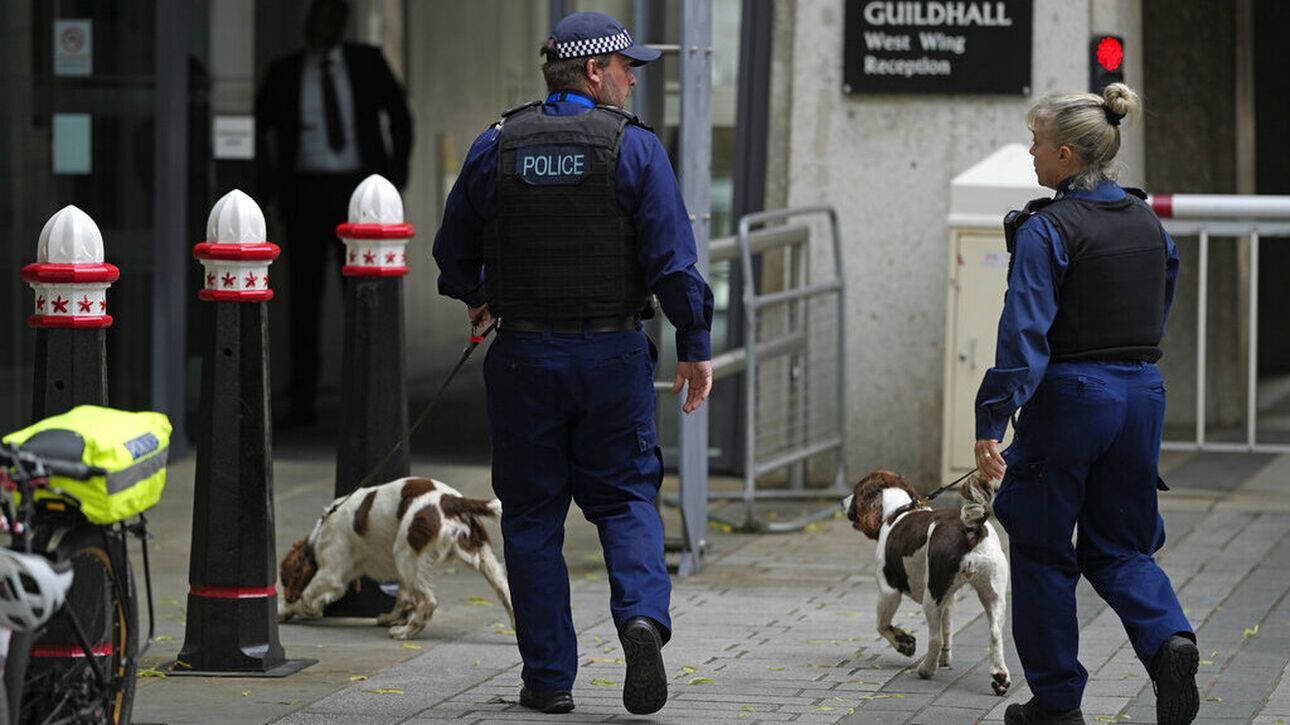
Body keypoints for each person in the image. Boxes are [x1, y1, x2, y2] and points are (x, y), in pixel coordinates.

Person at [432, 11, 713, 716]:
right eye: (627, 68)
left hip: (523, 353)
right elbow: (674, 262)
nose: (631, 80)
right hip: (612, 353)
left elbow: (452, 248)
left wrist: (477, 297)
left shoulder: (497, 143)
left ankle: (548, 679)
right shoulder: (635, 150)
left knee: (530, 518)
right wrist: (695, 345)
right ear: (594, 71)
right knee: (623, 499)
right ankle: (642, 619)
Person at [973, 83, 1197, 725]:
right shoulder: (1145, 217)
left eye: (1037, 143)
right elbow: (1162, 297)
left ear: (1066, 154)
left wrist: (992, 419)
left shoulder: (1048, 228)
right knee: (1123, 547)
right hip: (1140, 394)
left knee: (1044, 550)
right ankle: (1169, 641)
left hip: (1071, 398)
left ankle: (1057, 704)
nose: (1031, 154)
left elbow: (1023, 337)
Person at [255, 0, 412, 427]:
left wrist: (393, 180)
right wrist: (263, 189)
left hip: (356, 189)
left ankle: (367, 396)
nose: (321, 27)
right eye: (316, 19)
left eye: (330, 19)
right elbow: (258, 130)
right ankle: (303, 398)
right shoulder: (284, 70)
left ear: (342, 24)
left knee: (363, 295)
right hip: (304, 191)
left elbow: (399, 116)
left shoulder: (366, 62)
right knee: (304, 299)